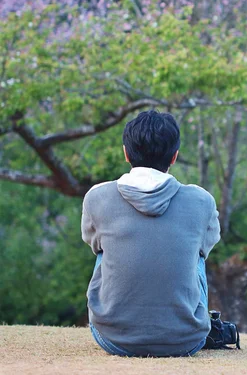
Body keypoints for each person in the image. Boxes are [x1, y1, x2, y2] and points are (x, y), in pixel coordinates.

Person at [81, 110, 220, 357]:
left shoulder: (97, 197)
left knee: (104, 249)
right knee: (196, 253)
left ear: (126, 152)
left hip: (112, 339)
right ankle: (184, 321)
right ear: (174, 156)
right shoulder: (201, 201)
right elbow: (207, 247)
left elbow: (91, 242)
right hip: (186, 341)